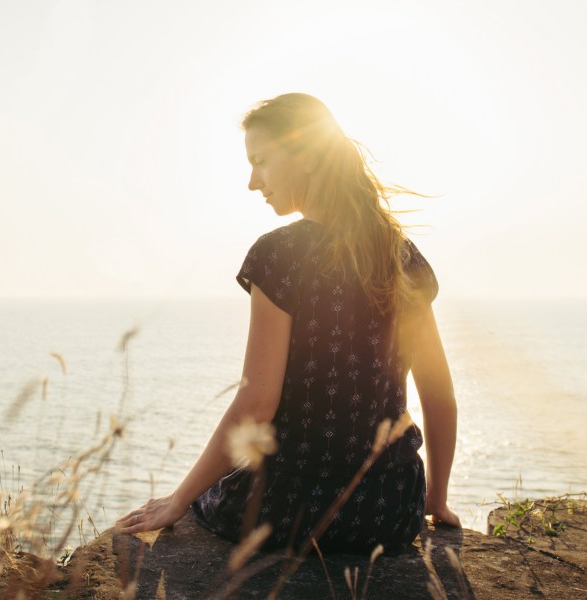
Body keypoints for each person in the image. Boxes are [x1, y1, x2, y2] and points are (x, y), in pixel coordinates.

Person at [117, 93, 459, 555]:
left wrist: (180, 499)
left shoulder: (278, 255)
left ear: (309, 158)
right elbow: (439, 396)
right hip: (387, 510)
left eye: (261, 161)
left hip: (286, 508)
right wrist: (435, 501)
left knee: (217, 497)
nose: (252, 181)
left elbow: (257, 401)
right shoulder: (402, 257)